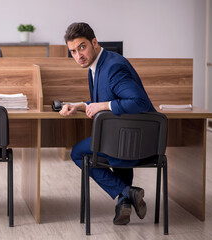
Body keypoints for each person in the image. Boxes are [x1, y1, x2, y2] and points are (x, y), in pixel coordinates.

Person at [61, 22, 156, 225]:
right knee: (112, 145)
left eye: (82, 47)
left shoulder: (113, 67)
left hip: (133, 140)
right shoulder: (96, 67)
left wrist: (102, 105)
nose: (79, 55)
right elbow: (106, 100)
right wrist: (80, 105)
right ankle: (125, 199)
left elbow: (139, 102)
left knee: (78, 153)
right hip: (123, 136)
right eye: (73, 51)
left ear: (94, 42)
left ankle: (125, 193)